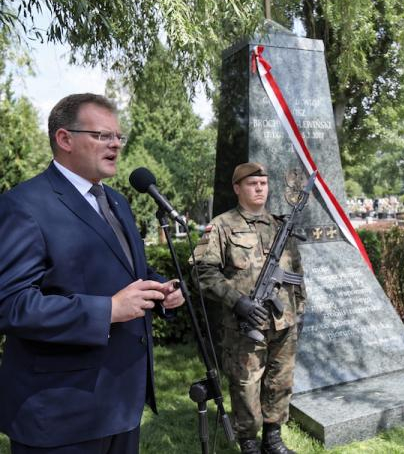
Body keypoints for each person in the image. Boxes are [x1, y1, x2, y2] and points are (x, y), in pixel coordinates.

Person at [0, 93, 185, 453]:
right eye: (103, 135)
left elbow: (127, 269)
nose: (116, 143)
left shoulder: (117, 201)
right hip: (61, 413)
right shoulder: (23, 205)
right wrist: (108, 310)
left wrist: (161, 289)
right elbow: (12, 305)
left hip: (121, 403)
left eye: (118, 136)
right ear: (65, 139)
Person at [193, 162, 305, 454]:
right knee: (246, 387)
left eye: (263, 183)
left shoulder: (281, 225)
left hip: (283, 321)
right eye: (252, 183)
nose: (259, 188)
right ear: (237, 188)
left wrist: (299, 313)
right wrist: (237, 301)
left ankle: (273, 439)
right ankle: (250, 443)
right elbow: (203, 273)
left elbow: (296, 273)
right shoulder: (221, 226)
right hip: (245, 324)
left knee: (279, 382)